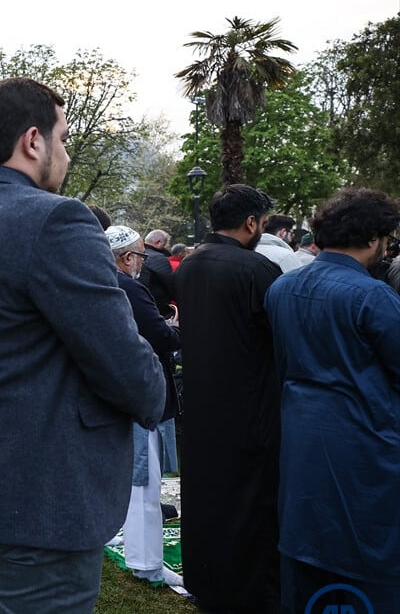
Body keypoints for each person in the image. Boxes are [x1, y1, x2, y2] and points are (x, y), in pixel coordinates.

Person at [0, 78, 165, 613]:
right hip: (41, 501)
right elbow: (125, 364)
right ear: (33, 141)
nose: (65, 154)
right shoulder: (55, 218)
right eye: (62, 139)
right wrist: (155, 389)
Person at [264, 188, 400, 612]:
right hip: (366, 443)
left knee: (307, 555)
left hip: (301, 440)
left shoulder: (281, 287)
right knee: (366, 561)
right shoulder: (373, 296)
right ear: (374, 238)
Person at [174, 184, 282, 612]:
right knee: (250, 500)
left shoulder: (190, 264)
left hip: (203, 402)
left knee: (206, 494)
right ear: (251, 222)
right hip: (248, 406)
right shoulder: (257, 268)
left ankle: (205, 578)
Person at [105, 226, 183, 587]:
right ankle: (147, 561)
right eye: (140, 255)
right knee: (144, 482)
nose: (142, 262)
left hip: (115, 395)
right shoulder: (129, 287)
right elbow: (158, 337)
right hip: (139, 394)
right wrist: (177, 329)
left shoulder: (99, 282)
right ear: (127, 258)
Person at [138, 229, 176, 318]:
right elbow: (171, 284)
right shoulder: (158, 258)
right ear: (158, 242)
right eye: (166, 244)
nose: (168, 248)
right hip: (158, 308)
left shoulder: (137, 255)